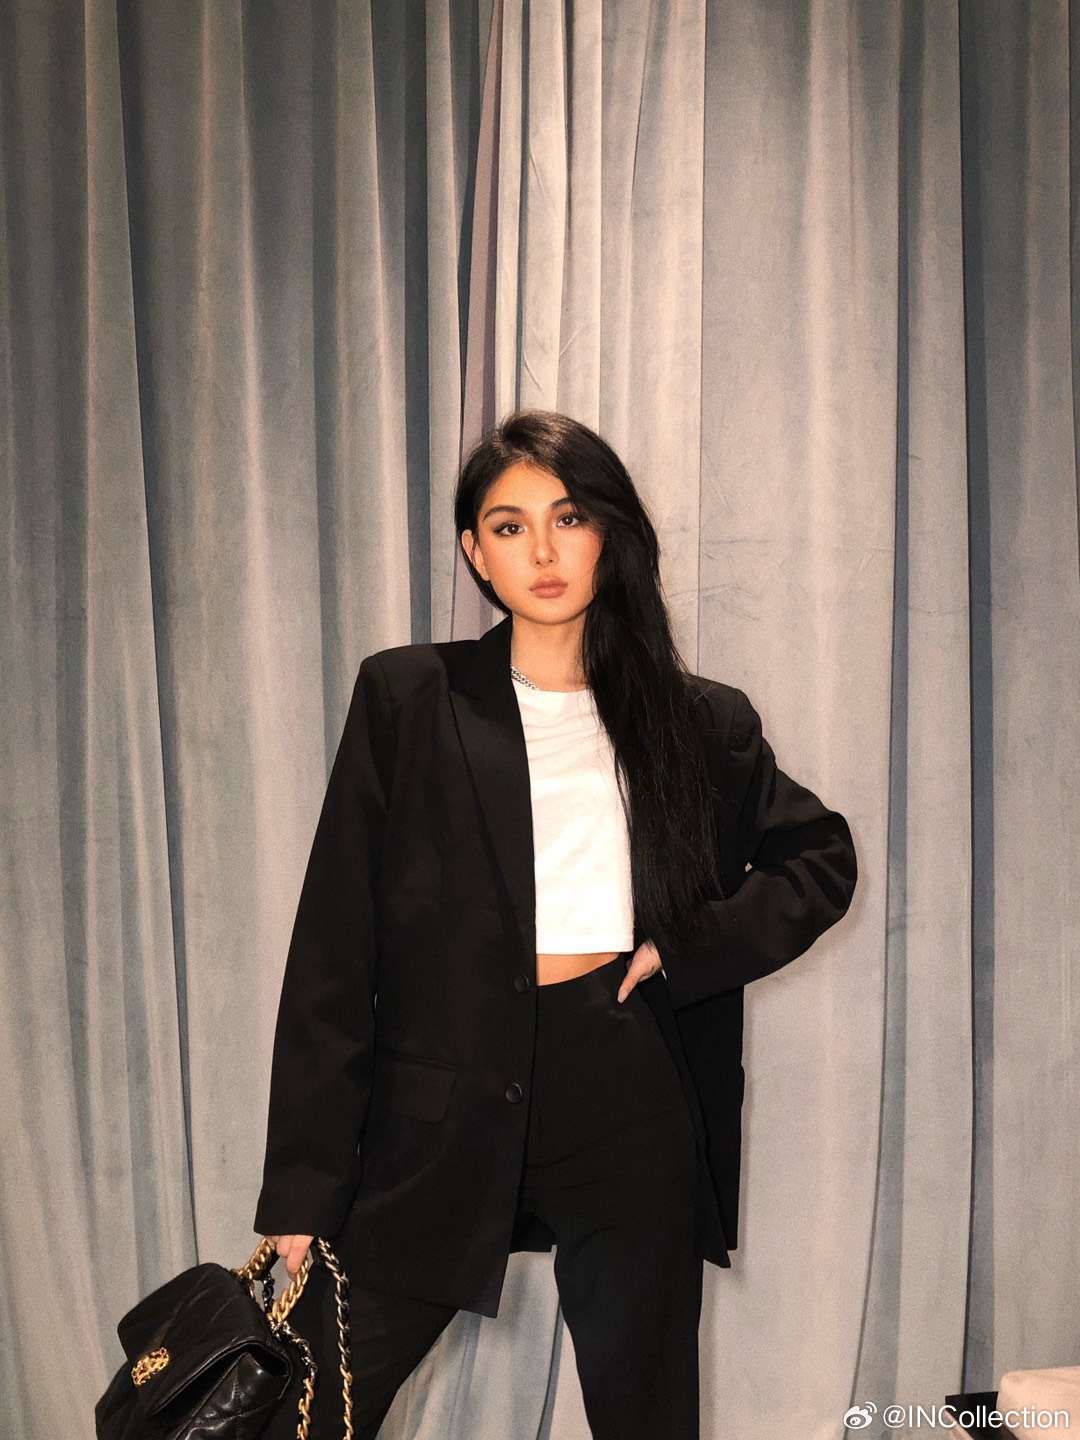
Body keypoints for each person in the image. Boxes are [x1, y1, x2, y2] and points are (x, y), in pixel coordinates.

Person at [255, 409, 858, 1438]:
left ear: (608, 533)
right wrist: (303, 1188)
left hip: (622, 1082)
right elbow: (333, 950)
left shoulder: (697, 720)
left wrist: (685, 950)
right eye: (509, 526)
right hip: (436, 1098)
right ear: (473, 552)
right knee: (311, 1409)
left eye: (568, 518)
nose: (542, 551)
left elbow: (820, 857)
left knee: (644, 1414)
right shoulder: (409, 698)